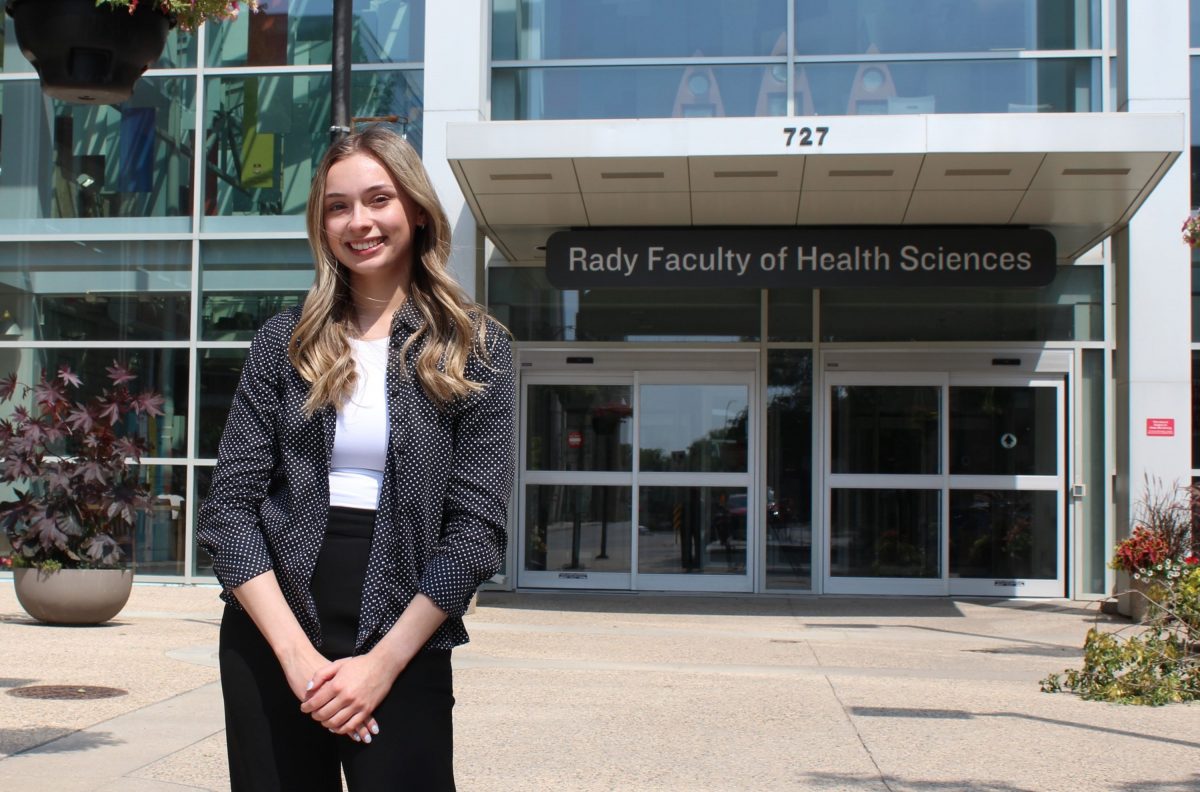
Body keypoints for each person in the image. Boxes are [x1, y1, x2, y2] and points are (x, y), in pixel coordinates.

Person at [197, 125, 515, 791]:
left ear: (417, 211)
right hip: (271, 629)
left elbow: (476, 531)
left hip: (406, 628)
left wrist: (381, 665)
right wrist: (296, 658)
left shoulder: (475, 346)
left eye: (378, 199)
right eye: (338, 206)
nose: (358, 221)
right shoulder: (283, 342)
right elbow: (229, 510)